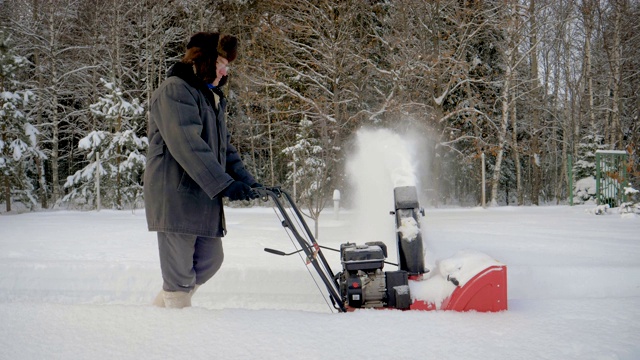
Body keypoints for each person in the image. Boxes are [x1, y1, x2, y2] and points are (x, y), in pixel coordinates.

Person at [144, 32, 261, 308]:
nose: (225, 70)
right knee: (179, 275)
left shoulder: (209, 97)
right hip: (176, 195)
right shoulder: (175, 90)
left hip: (202, 195)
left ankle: (164, 308)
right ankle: (176, 329)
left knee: (210, 260)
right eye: (221, 61)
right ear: (205, 60)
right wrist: (224, 184)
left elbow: (224, 149)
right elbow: (188, 145)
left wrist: (245, 180)